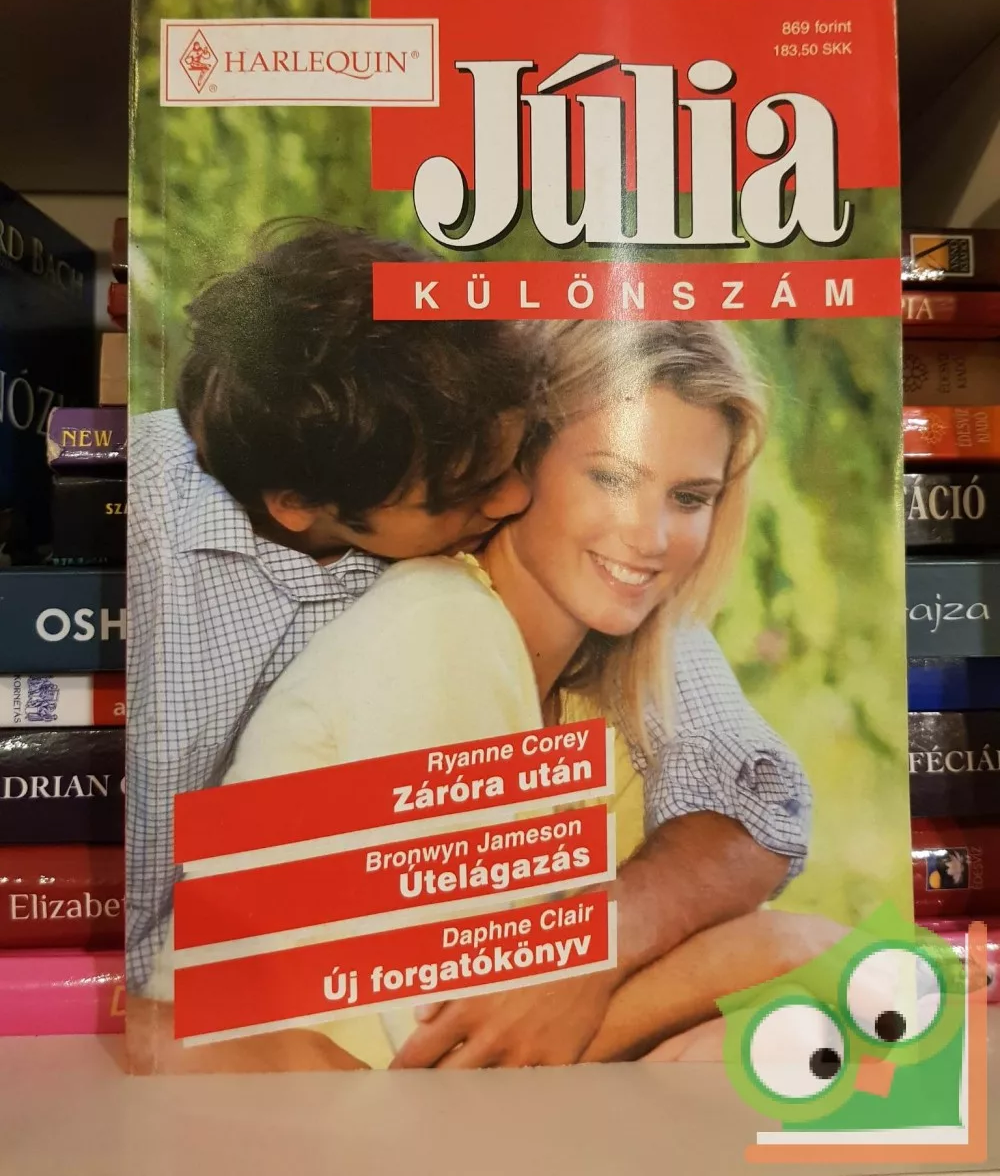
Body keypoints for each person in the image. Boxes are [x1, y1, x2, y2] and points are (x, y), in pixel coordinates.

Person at [126, 221, 810, 1072]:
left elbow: (754, 798)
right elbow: (456, 1047)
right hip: (271, 1104)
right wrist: (779, 950)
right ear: (520, 449)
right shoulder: (442, 628)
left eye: (692, 496)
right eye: (612, 475)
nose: (652, 535)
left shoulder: (613, 689)